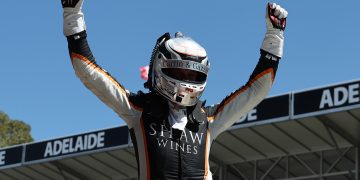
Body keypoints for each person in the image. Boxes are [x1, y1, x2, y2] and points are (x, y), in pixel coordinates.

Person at [61, 0, 288, 179]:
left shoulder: (208, 119)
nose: (188, 80)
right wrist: (73, 15)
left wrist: (275, 36)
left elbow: (256, 90)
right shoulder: (138, 110)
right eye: (181, 72)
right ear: (160, 67)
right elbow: (88, 73)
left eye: (194, 74)